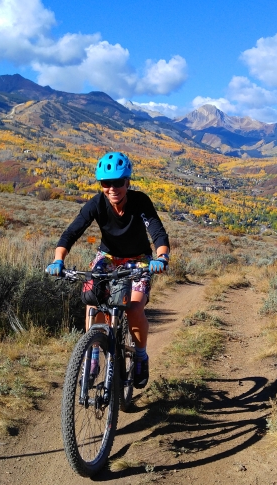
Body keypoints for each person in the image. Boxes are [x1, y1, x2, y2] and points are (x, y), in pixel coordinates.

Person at [46, 152, 169, 389]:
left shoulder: (140, 201)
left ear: (127, 182)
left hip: (139, 260)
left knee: (134, 308)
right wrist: (58, 260)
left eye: (118, 182)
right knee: (93, 299)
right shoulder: (97, 204)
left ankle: (141, 356)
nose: (112, 188)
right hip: (109, 257)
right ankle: (92, 353)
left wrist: (162, 256)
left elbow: (157, 232)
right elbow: (71, 233)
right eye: (106, 183)